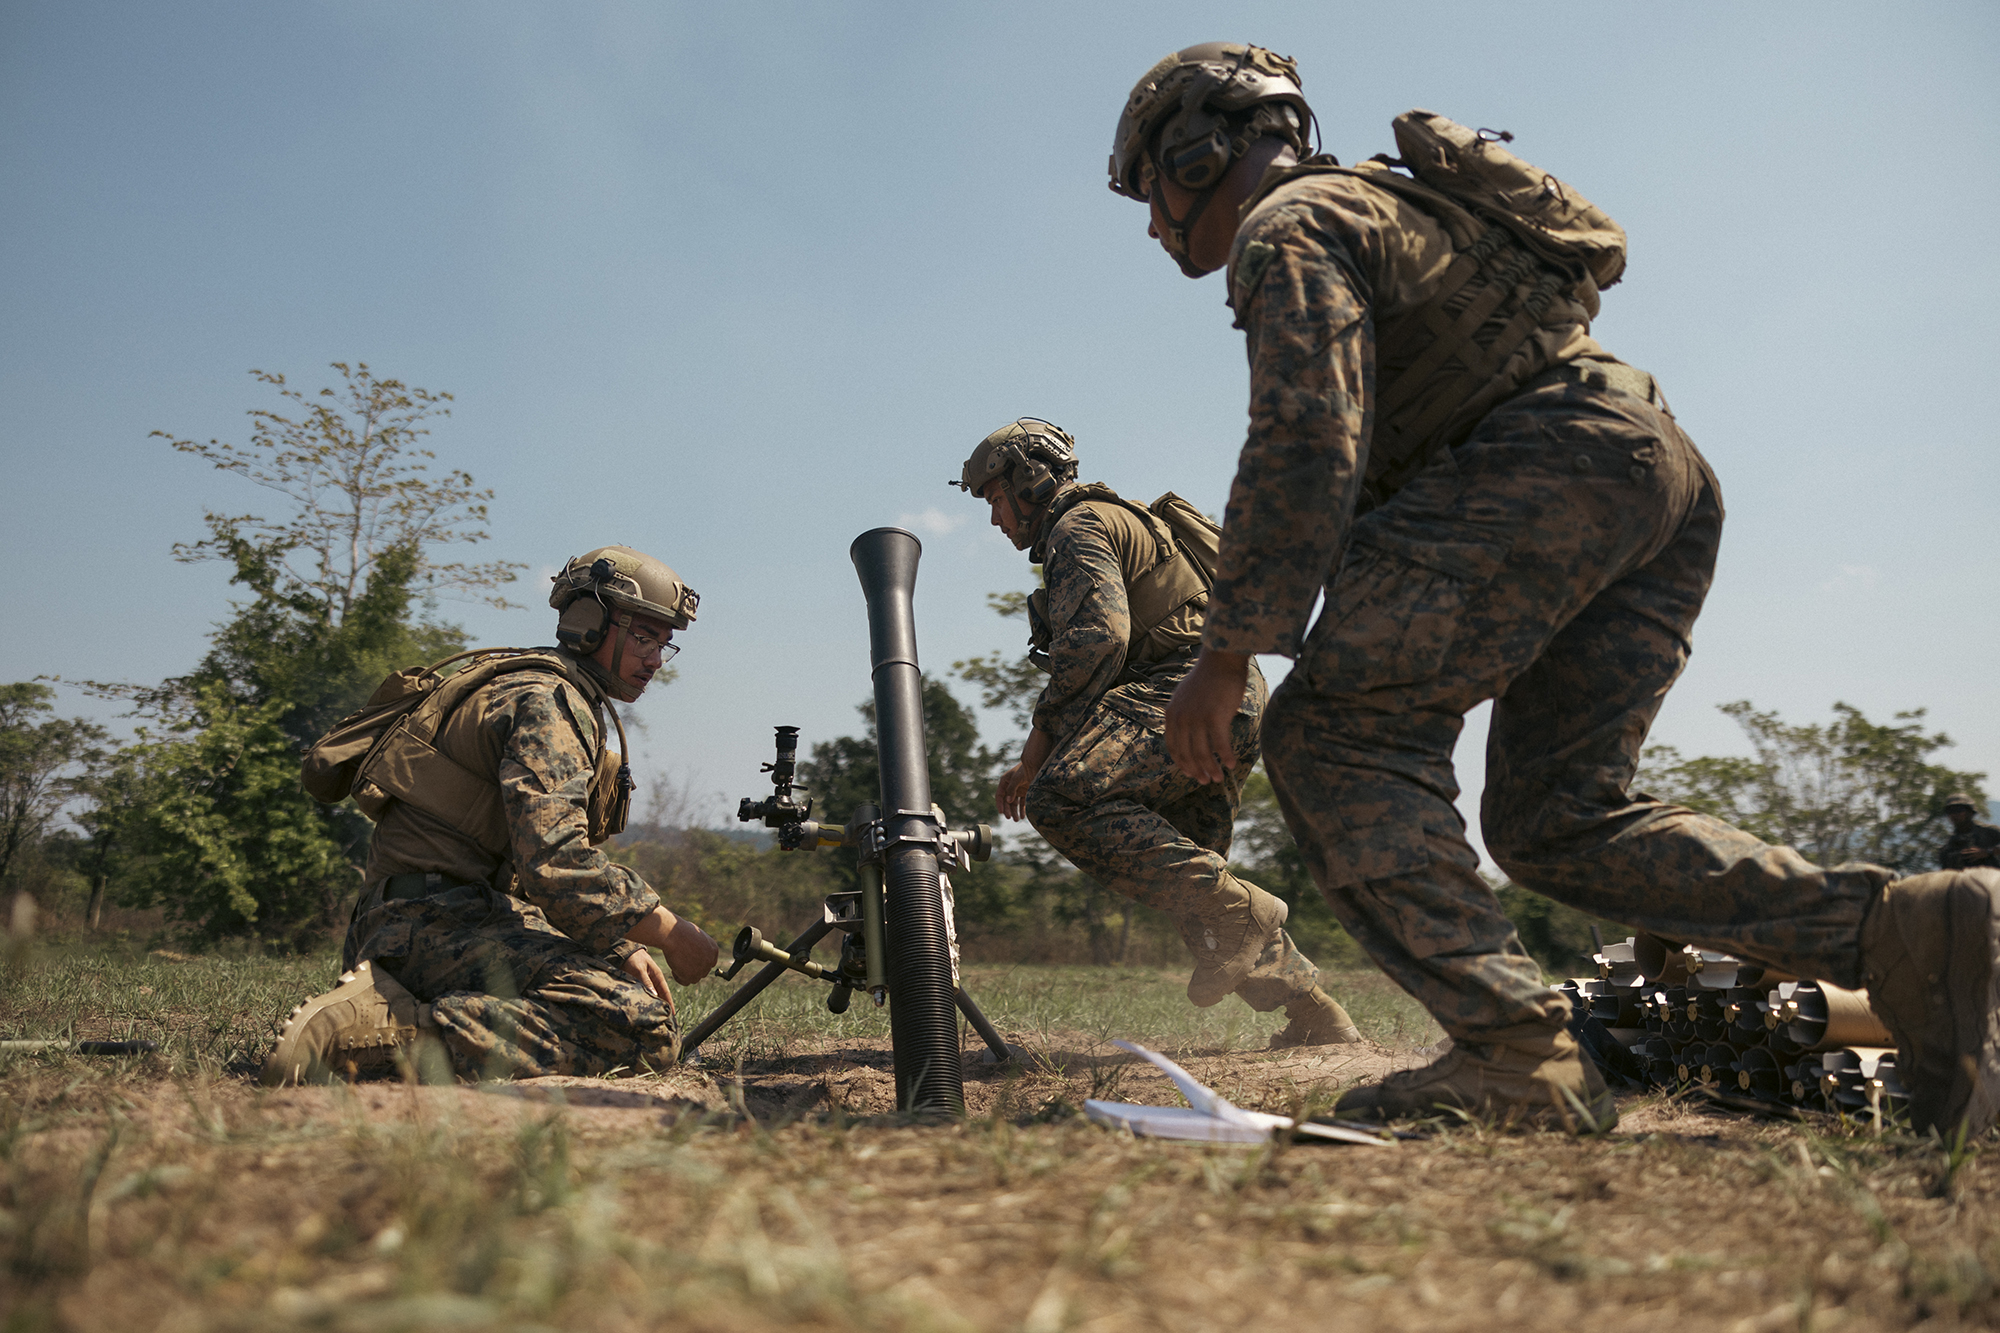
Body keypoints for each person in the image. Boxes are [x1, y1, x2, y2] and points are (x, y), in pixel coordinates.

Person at [1108, 42, 2000, 1134]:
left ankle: (1512, 1053)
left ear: (1200, 152)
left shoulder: (1287, 225)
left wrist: (1226, 652)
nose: (1151, 223)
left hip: (1537, 458)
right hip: (1649, 464)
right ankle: (1907, 932)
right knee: (1554, 816)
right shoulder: (1402, 207)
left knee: (1335, 738)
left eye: (1148, 185)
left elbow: (1305, 433)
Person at [954, 417, 1361, 1047]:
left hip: (1181, 692)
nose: (995, 519)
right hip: (1229, 695)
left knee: (1062, 799)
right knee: (1198, 881)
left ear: (1029, 479)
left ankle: (1242, 910)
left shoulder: (1077, 527)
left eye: (996, 500)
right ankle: (1315, 1015)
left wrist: (1037, 749)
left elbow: (1098, 640)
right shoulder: (1123, 519)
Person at [264, 546, 721, 1085]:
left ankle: (399, 1005)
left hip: (420, 921)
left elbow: (521, 866)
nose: (653, 659)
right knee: (638, 1026)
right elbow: (555, 863)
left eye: (664, 644)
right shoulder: (551, 701)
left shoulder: (515, 680)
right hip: (433, 922)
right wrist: (673, 934)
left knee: (615, 987)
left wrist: (618, 945)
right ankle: (383, 1030)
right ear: (589, 621)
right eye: (644, 636)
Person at [1941, 793, 2000, 871]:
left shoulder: (1989, 832)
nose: (1954, 814)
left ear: (1970, 812)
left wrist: (1987, 852)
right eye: (1950, 811)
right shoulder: (1949, 844)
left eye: (1959, 810)